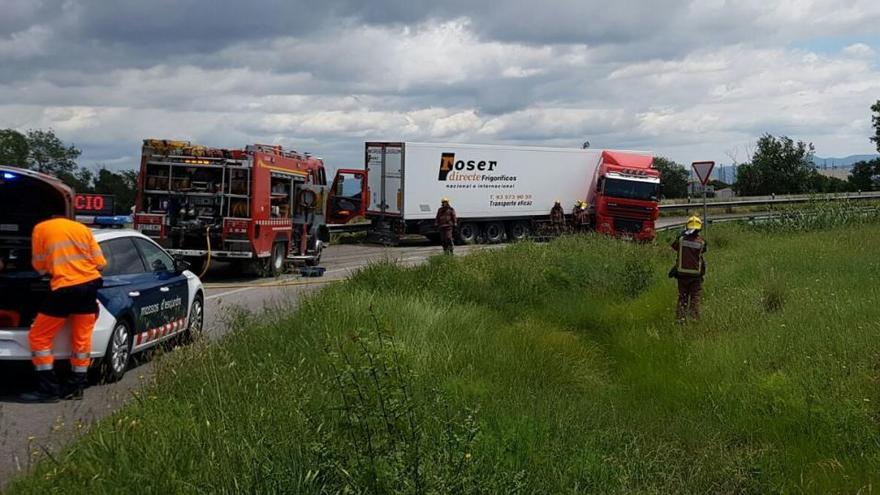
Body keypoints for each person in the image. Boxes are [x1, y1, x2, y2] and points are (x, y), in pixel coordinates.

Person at [19, 217, 106, 403]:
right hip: (90, 286)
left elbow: (39, 266)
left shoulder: (40, 228)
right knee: (82, 339)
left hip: (65, 288)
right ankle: (76, 388)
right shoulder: (82, 228)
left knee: (39, 336)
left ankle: (48, 389)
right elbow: (100, 262)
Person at [670, 216, 707, 323]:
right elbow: (704, 250)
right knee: (695, 296)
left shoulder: (681, 240)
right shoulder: (701, 242)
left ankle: (680, 318)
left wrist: (681, 235)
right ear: (699, 229)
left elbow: (674, 246)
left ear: (687, 227)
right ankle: (694, 318)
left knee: (683, 297)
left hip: (681, 275)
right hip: (696, 276)